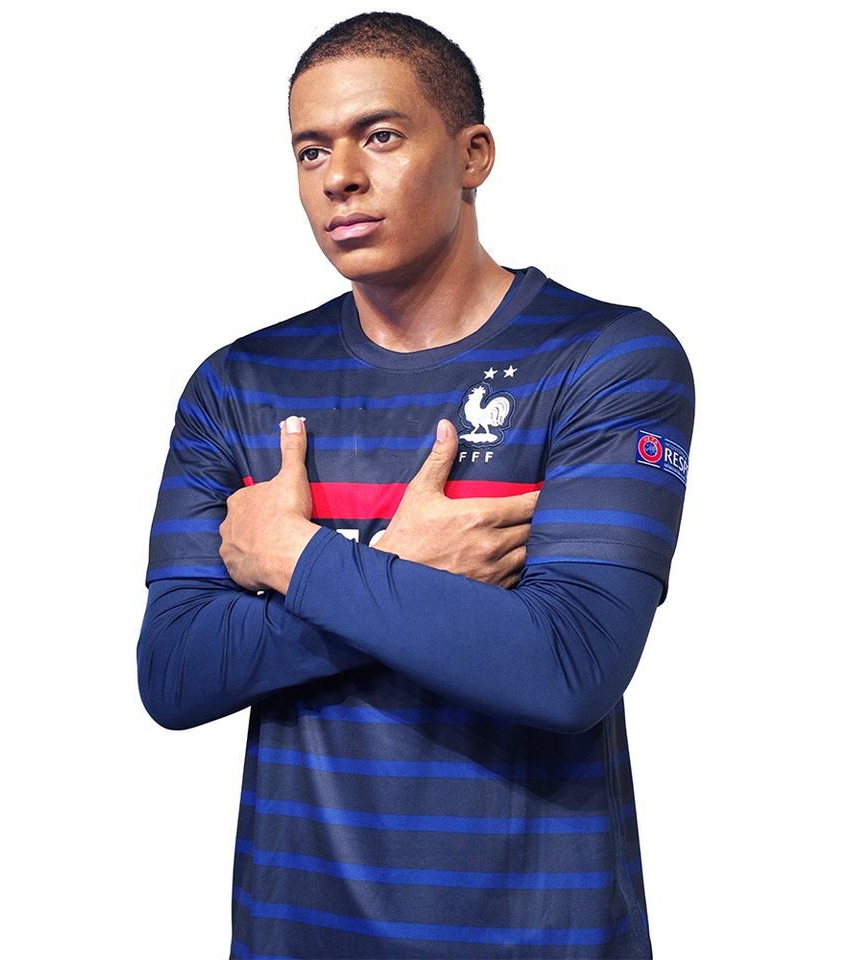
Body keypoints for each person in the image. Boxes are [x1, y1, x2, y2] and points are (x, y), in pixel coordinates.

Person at [137, 11, 694, 959]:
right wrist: (398, 564)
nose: (339, 177)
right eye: (312, 150)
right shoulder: (238, 385)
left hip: (538, 941)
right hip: (297, 934)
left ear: (474, 154)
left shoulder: (609, 360)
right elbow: (176, 672)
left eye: (382, 135)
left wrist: (295, 558)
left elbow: (568, 667)